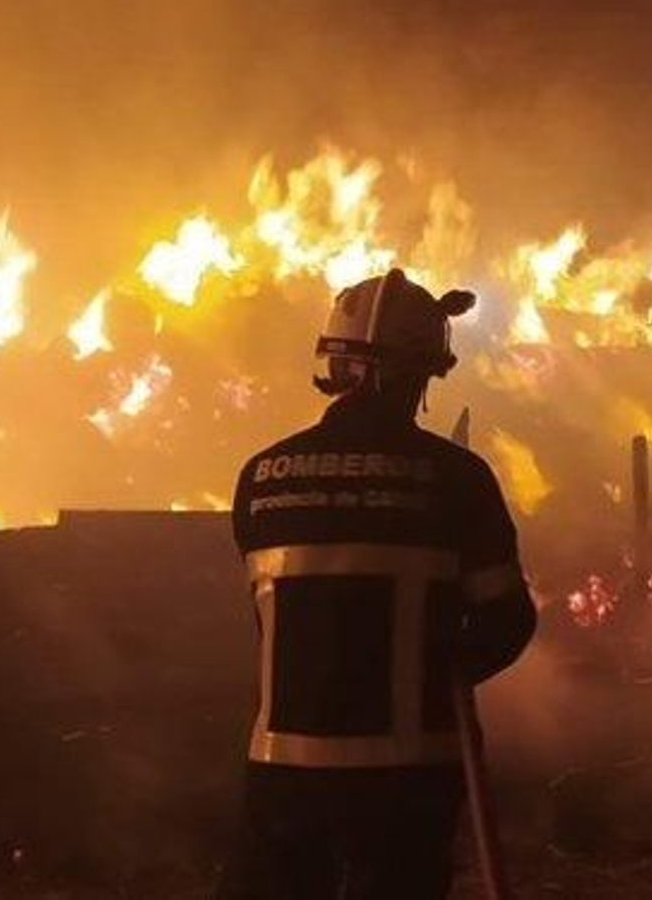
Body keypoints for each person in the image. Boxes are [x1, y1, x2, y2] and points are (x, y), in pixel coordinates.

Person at [220, 269, 537, 899]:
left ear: (334, 367)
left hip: (284, 768)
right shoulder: (457, 479)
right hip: (409, 772)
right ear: (421, 376)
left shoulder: (261, 477)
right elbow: (507, 621)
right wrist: (443, 665)